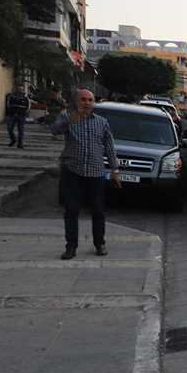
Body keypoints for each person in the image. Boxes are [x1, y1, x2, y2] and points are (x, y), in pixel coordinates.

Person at [50, 89, 121, 259]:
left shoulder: (102, 122)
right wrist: (70, 119)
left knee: (98, 211)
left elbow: (109, 147)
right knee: (71, 210)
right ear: (76, 102)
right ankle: (71, 246)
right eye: (83, 99)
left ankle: (99, 243)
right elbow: (54, 130)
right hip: (73, 171)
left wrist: (115, 170)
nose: (87, 103)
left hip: (96, 173)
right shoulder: (68, 117)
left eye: (90, 100)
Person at [5, 83, 30, 148]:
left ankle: (20, 143)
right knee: (9, 128)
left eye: (21, 89)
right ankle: (13, 139)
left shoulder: (25, 98)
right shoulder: (11, 97)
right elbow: (8, 105)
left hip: (21, 116)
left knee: (21, 130)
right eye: (18, 89)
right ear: (16, 89)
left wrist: (25, 113)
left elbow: (28, 107)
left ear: (23, 90)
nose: (20, 90)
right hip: (12, 115)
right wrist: (9, 113)